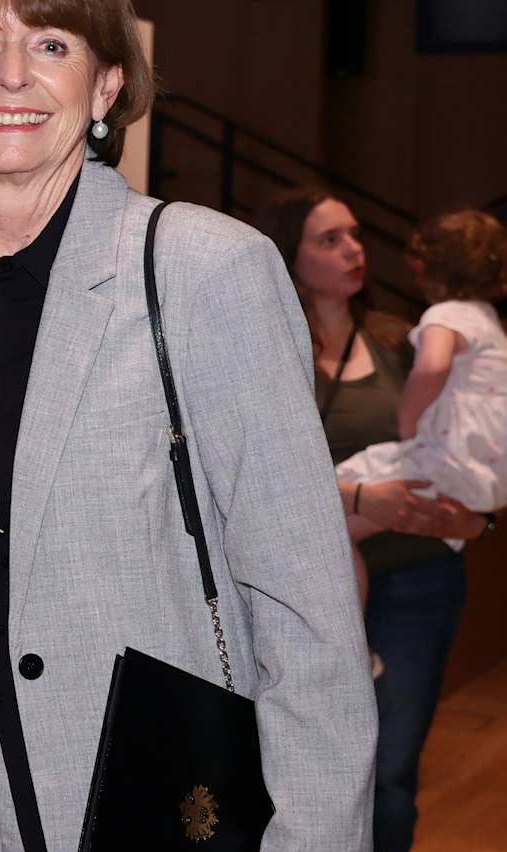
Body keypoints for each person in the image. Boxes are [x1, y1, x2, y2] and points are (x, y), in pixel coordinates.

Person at [0, 0, 375, 851]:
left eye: (50, 44)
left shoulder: (204, 271)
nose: (10, 76)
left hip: (132, 794)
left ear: (108, 83)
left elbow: (306, 610)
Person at [258, 191, 495, 852]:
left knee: (388, 774)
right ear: (288, 255)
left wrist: (477, 525)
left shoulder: (400, 338)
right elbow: (250, 482)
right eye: (329, 240)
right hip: (297, 584)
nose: (353, 250)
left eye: (354, 234)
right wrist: (362, 503)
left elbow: (464, 450)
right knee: (287, 770)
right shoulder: (260, 346)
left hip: (417, 582)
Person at [337, 209, 507, 513]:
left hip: (453, 454)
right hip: (490, 464)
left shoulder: (444, 316)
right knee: (358, 526)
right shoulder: (488, 319)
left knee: (342, 491)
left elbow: (433, 365)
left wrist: (408, 418)